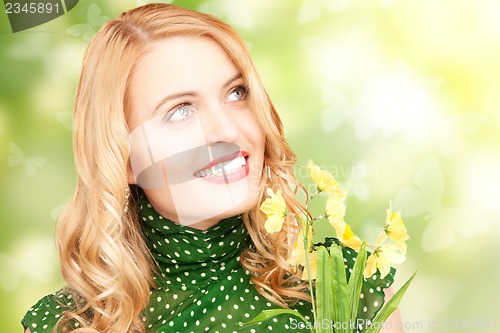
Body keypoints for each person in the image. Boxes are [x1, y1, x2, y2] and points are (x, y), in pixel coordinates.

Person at [22, 3, 397, 333]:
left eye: (237, 93)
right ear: (124, 160)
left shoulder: (344, 281)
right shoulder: (65, 325)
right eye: (180, 111)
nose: (229, 130)